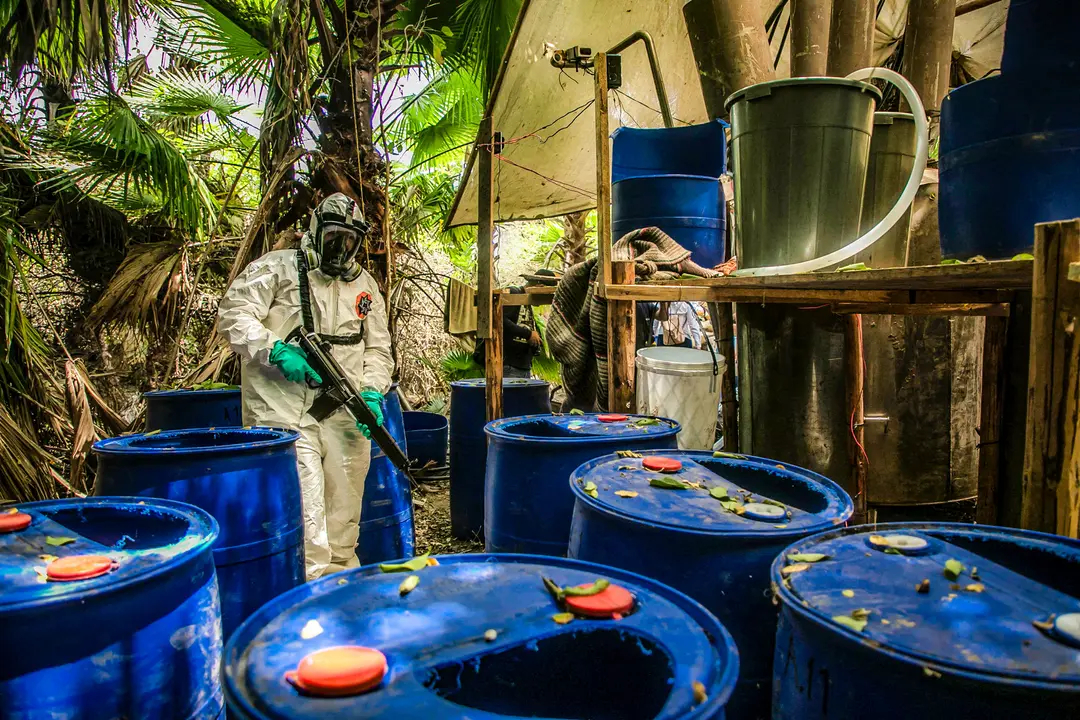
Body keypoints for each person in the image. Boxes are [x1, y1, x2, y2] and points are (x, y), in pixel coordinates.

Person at [217, 193, 394, 580]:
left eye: (350, 240)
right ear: (315, 230)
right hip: (283, 407)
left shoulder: (364, 285)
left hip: (345, 410)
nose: (341, 248)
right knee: (306, 512)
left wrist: (372, 392)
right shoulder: (275, 269)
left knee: (346, 506)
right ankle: (309, 591)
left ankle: (341, 585)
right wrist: (275, 350)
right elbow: (234, 316)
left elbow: (378, 347)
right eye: (333, 236)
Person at [474, 286, 541, 378]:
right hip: (508, 364)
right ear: (540, 286)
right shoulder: (514, 294)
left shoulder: (527, 301)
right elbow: (498, 319)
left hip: (523, 365)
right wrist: (528, 334)